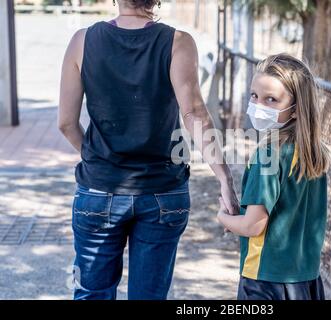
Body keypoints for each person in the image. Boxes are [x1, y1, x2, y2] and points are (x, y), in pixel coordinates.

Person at [58, 0, 239, 300]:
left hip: (100, 190)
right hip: (163, 192)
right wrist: (224, 178)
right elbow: (194, 113)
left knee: (92, 294)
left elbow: (66, 123)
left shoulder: (82, 41)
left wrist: (98, 160)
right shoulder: (178, 42)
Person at [217, 53, 331, 300]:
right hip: (306, 281)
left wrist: (224, 218)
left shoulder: (268, 154)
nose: (259, 106)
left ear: (296, 109)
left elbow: (252, 225)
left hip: (265, 281)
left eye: (272, 100)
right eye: (255, 96)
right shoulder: (313, 153)